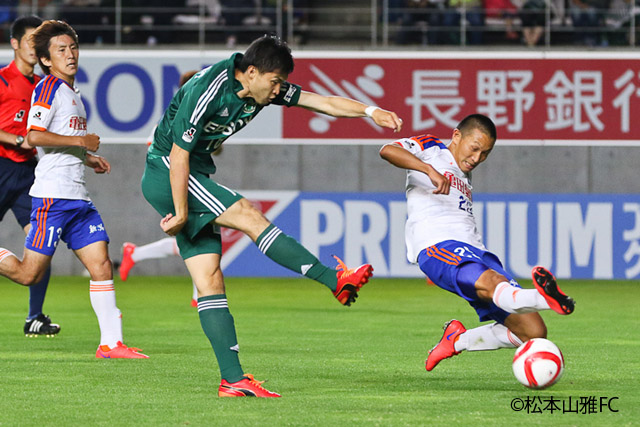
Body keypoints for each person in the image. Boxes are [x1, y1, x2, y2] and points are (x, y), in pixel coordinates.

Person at [141, 34, 402, 398]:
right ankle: (333, 279)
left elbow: (321, 101)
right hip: (168, 170)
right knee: (248, 214)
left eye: (281, 82)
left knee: (210, 281)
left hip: (187, 175)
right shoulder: (207, 89)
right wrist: (182, 212)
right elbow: (179, 155)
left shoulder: (263, 87)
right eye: (275, 81)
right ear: (250, 72)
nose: (279, 89)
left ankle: (232, 380)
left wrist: (370, 112)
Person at [379, 114, 575, 373]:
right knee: (496, 284)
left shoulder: (463, 172)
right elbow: (387, 150)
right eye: (475, 148)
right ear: (456, 136)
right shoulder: (431, 149)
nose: (477, 158)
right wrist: (429, 170)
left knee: (533, 332)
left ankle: (456, 340)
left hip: (477, 251)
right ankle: (546, 297)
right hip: (438, 246)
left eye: (485, 153)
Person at [0, 20, 148, 359]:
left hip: (78, 198)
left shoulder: (72, 94)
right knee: (28, 273)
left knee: (101, 266)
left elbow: (56, 141)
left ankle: (111, 343)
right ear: (47, 60)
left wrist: (87, 157)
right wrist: (80, 140)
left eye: (73, 48)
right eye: (61, 50)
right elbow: (34, 135)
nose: (70, 55)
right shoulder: (48, 87)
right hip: (52, 197)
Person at [0, 15, 61, 337]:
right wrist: (14, 139)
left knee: (42, 243)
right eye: (29, 42)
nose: (35, 49)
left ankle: (34, 317)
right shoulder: (2, 80)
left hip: (28, 173)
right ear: (14, 44)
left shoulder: (43, 87)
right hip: (0, 165)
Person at [119, 70, 199, 308]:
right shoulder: (177, 117)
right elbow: (153, 144)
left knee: (193, 238)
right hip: (175, 183)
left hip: (188, 181)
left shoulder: (190, 116)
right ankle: (201, 294)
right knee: (199, 236)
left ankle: (135, 254)